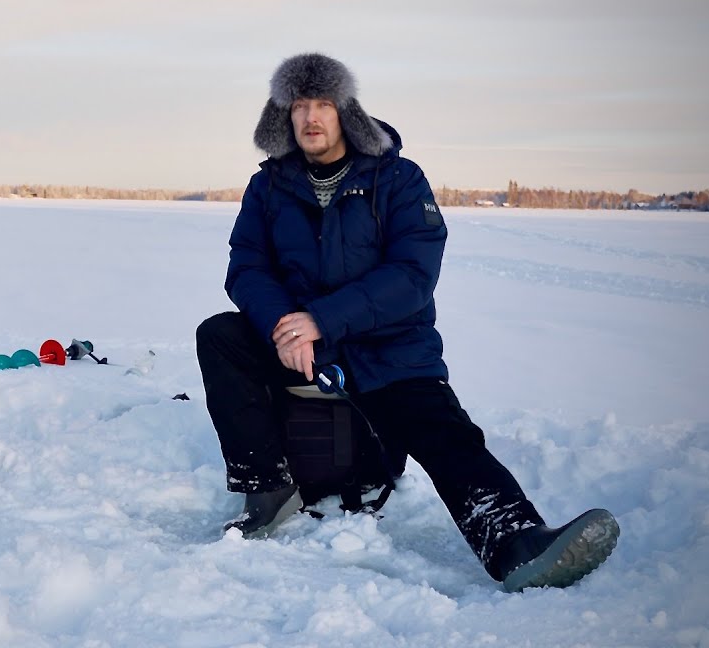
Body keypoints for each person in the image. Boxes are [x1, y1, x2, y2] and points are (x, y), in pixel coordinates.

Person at [196, 53, 619, 591]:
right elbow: (247, 264)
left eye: (322, 103)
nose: (310, 118)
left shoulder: (398, 179)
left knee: (443, 433)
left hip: (387, 348)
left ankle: (514, 541)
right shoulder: (270, 186)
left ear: (346, 112)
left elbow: (412, 275)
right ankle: (267, 490)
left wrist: (320, 319)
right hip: (300, 343)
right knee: (221, 336)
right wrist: (285, 323)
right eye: (298, 106)